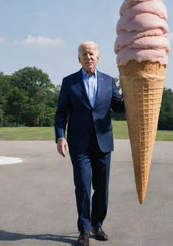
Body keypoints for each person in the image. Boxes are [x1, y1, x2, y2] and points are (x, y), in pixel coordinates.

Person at [54, 41, 125, 246]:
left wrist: (132, 90)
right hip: (79, 144)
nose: (89, 57)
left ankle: (97, 224)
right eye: (84, 54)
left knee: (102, 189)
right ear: (79, 58)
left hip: (103, 143)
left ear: (98, 57)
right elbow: (61, 113)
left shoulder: (109, 81)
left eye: (92, 53)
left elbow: (119, 107)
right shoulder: (69, 82)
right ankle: (84, 230)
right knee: (84, 187)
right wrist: (60, 136)